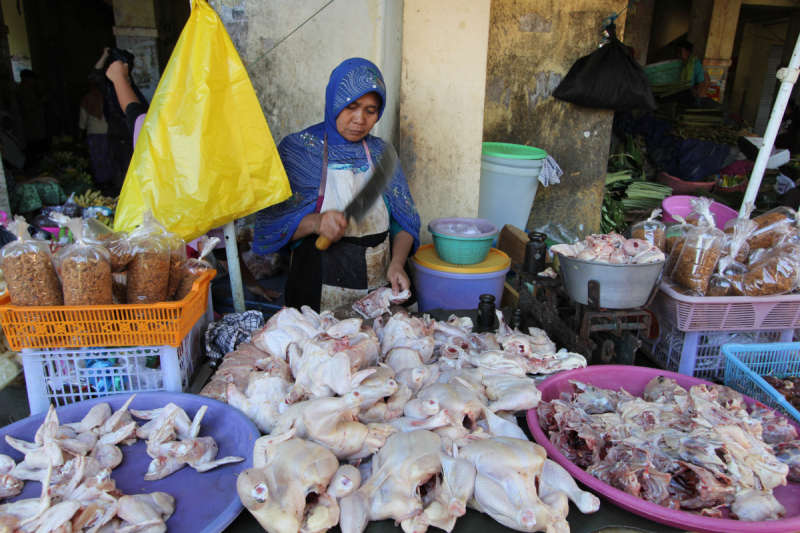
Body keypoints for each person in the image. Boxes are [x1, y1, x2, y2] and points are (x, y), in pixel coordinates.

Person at [104, 59, 281, 302]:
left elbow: (132, 108)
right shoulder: (211, 166)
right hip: (183, 279)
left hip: (140, 263)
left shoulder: (151, 132)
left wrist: (117, 77)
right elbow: (223, 248)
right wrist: (251, 285)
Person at [254, 58, 421, 312]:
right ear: (334, 101)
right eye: (351, 106)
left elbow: (403, 222)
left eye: (370, 110)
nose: (360, 120)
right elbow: (271, 225)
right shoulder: (299, 151)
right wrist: (316, 222)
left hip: (380, 292)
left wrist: (397, 262)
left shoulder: (381, 154)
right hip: (316, 294)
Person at [91, 47, 148, 194]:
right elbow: (96, 75)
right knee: (124, 173)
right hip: (120, 137)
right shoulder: (110, 90)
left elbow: (137, 113)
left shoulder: (136, 98)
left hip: (135, 136)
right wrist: (105, 55)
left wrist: (119, 77)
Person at [78, 83, 114, 188]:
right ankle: (111, 180)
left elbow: (82, 118)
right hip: (108, 130)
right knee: (108, 156)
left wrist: (80, 134)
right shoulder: (108, 97)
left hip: (94, 131)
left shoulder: (87, 99)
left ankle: (102, 182)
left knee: (97, 158)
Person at [17, 69, 49, 159]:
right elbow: (27, 108)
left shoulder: (28, 90)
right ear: (27, 79)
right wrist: (41, 101)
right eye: (33, 80)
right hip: (31, 128)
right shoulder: (22, 91)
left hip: (37, 126)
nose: (35, 82)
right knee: (36, 149)